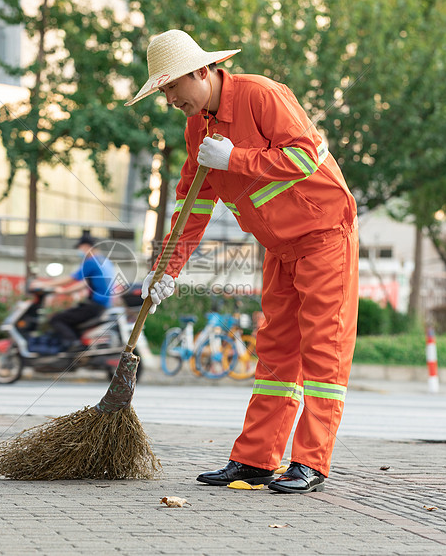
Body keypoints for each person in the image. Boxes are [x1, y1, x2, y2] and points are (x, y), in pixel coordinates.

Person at [128, 30, 358, 493]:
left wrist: (238, 158)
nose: (170, 98)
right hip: (279, 249)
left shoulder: (262, 95)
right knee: (275, 353)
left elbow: (305, 155)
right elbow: (192, 205)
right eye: (163, 90)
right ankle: (256, 461)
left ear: (202, 71)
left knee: (322, 351)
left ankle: (311, 462)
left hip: (324, 237)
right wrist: (166, 269)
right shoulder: (198, 130)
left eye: (173, 86)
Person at [44, 234, 117, 352]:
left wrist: (44, 284)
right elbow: (85, 283)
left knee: (57, 319)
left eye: (80, 247)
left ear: (87, 246)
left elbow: (71, 279)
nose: (80, 251)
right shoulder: (104, 261)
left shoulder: (91, 262)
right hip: (103, 305)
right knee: (71, 317)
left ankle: (74, 345)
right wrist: (64, 291)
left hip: (95, 305)